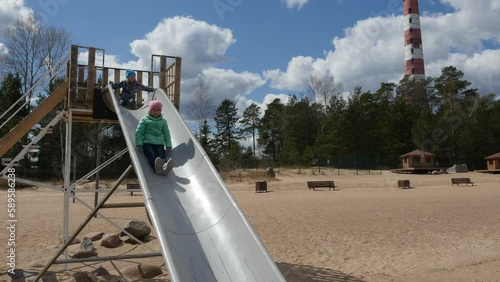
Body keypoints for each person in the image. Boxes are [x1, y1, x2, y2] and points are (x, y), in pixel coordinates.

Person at [135, 100, 175, 175]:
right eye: (154, 110)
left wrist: (168, 146)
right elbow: (139, 133)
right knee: (152, 154)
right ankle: (156, 168)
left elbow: (166, 134)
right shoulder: (145, 120)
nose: (156, 112)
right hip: (147, 143)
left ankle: (165, 167)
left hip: (159, 143)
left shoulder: (163, 121)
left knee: (161, 155)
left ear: (160, 111)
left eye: (158, 110)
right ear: (150, 110)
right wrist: (139, 145)